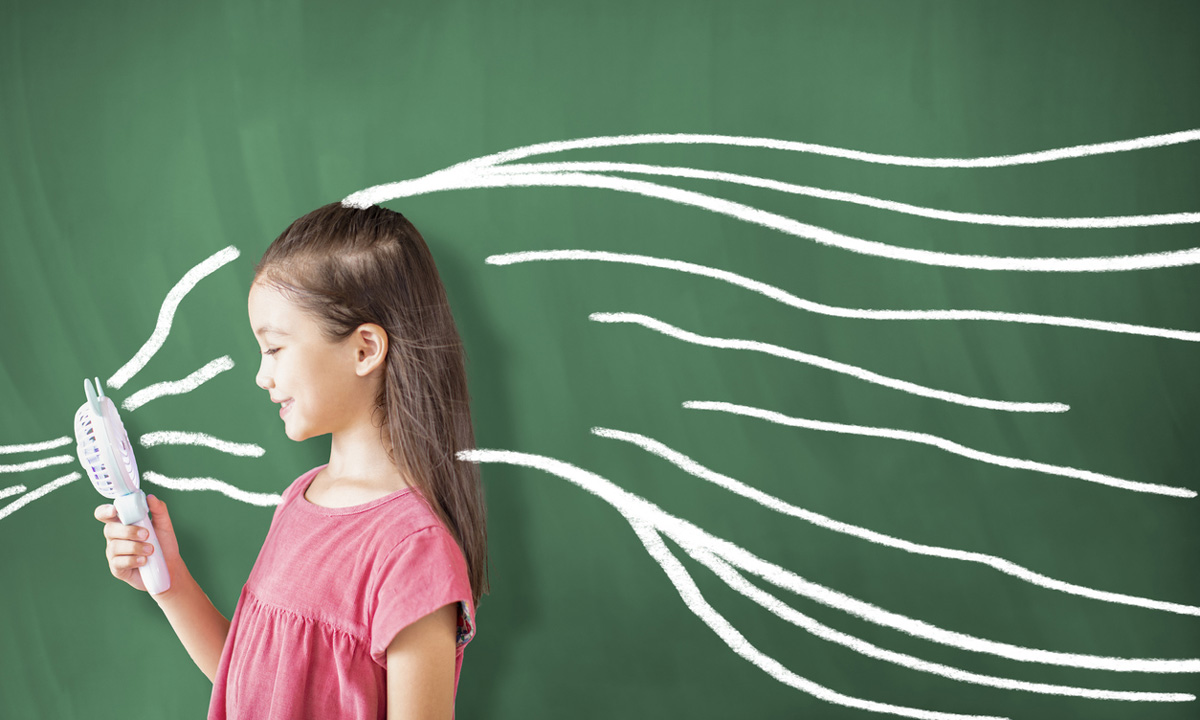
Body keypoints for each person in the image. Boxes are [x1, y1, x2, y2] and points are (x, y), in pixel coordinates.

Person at [95, 202, 489, 719]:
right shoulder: (299, 499)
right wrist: (170, 581)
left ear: (365, 349)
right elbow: (253, 687)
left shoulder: (415, 554)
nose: (262, 375)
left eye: (275, 349)